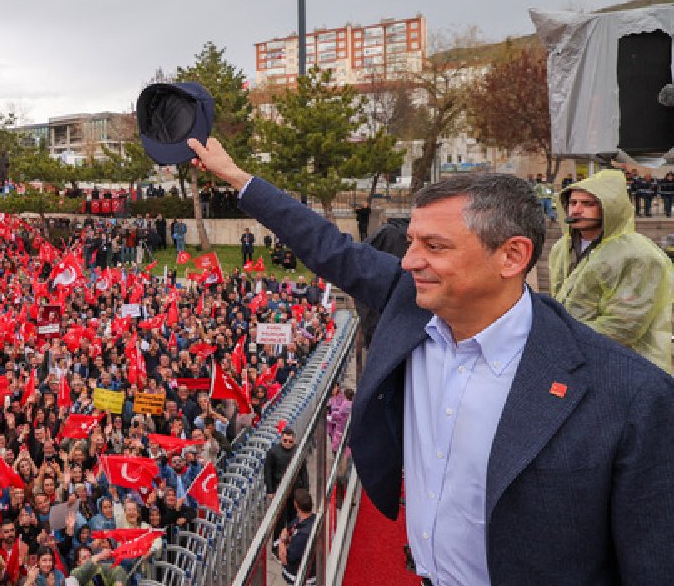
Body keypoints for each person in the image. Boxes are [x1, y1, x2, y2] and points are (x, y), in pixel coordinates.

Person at [188, 136, 674, 586]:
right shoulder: (408, 301)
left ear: (512, 256)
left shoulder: (631, 395)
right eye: (412, 242)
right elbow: (325, 245)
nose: (408, 261)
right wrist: (236, 177)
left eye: (434, 246)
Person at [548, 169, 673, 373]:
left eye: (588, 204)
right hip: (575, 361)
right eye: (572, 203)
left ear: (610, 208)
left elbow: (625, 326)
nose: (576, 210)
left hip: (626, 367)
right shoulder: (562, 247)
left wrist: (564, 336)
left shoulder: (639, 254)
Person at [274, 489, 315, 586]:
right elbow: (286, 531)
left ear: (296, 505)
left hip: (300, 579)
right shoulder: (305, 519)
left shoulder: (303, 535)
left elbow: (284, 559)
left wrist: (282, 542)